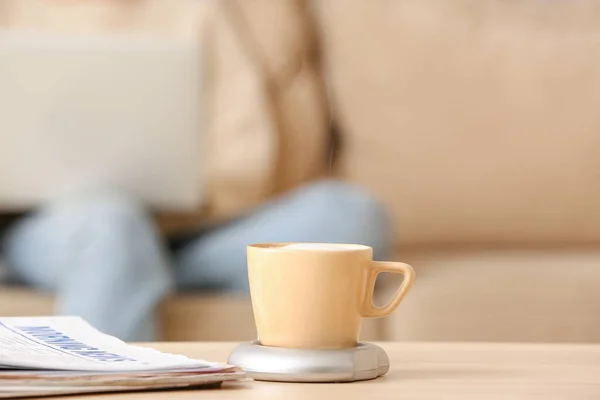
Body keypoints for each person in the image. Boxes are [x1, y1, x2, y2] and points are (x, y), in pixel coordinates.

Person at [1, 180, 391, 342]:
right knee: (112, 226)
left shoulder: (233, 21)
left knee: (351, 213)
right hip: (57, 223)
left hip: (207, 227)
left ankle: (132, 269)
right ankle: (125, 261)